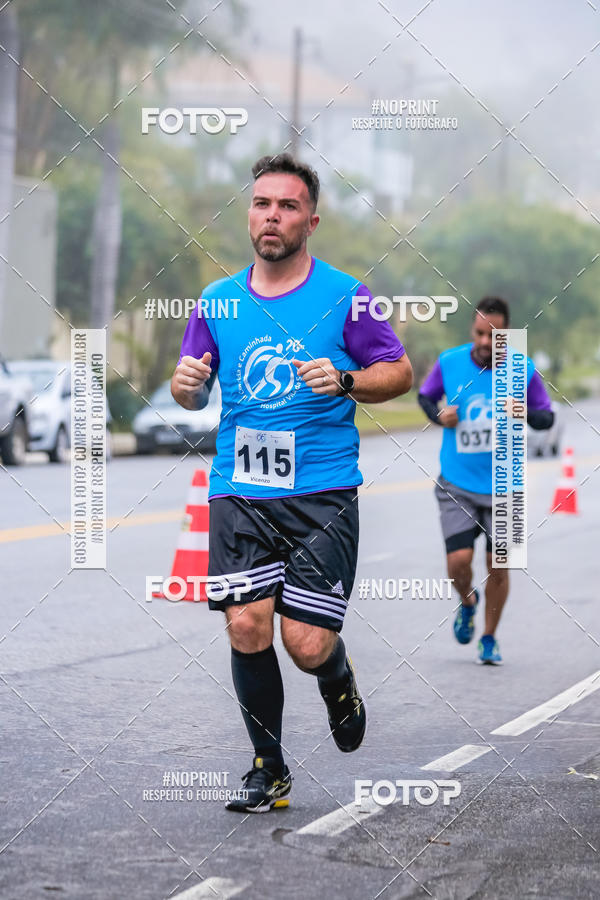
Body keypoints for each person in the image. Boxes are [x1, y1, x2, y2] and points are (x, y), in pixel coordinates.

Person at [171, 153, 413, 812]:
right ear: (249, 215)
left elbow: (399, 371)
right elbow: (191, 389)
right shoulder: (217, 301)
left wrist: (347, 379)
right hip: (240, 488)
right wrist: (186, 387)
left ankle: (335, 676)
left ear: (311, 220)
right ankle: (268, 769)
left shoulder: (346, 295)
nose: (272, 216)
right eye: (262, 204)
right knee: (247, 625)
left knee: (304, 644)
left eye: (287, 205)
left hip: (321, 493)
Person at [418, 297, 553, 664]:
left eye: (494, 335)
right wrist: (438, 415)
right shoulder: (449, 361)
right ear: (472, 330)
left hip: (506, 485)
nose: (484, 341)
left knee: (499, 566)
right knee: (458, 562)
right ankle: (467, 602)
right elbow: (425, 397)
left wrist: (525, 412)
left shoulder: (522, 369)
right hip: (457, 483)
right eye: (479, 333)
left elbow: (547, 418)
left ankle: (489, 638)